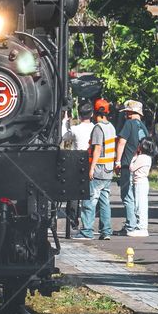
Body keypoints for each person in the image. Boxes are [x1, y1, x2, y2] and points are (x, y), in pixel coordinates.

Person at [78, 102, 116, 240]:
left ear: (94, 113)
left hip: (99, 169)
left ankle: (87, 231)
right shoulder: (111, 127)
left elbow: (98, 149)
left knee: (90, 201)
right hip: (108, 169)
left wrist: (91, 168)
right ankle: (106, 231)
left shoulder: (98, 128)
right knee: (104, 201)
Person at [114, 99, 148, 235]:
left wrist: (117, 161)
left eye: (127, 112)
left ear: (130, 112)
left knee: (127, 195)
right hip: (140, 162)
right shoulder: (143, 127)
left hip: (127, 163)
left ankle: (130, 225)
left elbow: (122, 142)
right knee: (137, 195)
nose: (125, 114)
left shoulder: (129, 124)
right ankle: (134, 223)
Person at [63, 101, 96, 237]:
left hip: (76, 162)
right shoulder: (95, 128)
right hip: (91, 161)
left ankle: (73, 219)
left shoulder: (76, 129)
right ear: (92, 114)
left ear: (79, 114)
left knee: (74, 194)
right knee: (90, 194)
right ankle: (88, 223)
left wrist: (65, 122)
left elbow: (65, 137)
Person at [127, 138, 156, 237]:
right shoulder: (148, 157)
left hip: (140, 182)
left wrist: (134, 157)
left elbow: (132, 168)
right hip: (143, 182)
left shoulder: (142, 157)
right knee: (141, 204)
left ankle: (142, 228)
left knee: (140, 206)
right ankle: (141, 226)